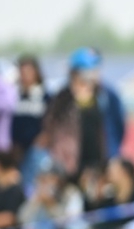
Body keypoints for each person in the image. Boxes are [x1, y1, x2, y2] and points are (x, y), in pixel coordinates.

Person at [41, 48, 127, 178]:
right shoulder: (63, 97)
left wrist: (112, 155)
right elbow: (51, 126)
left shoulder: (107, 95)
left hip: (100, 160)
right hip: (69, 162)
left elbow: (118, 126)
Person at [11, 54, 50, 193]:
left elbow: (52, 120)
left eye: (29, 71)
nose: (25, 75)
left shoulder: (45, 95)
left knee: (34, 185)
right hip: (17, 150)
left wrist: (45, 136)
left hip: (36, 150)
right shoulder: (14, 95)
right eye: (22, 71)